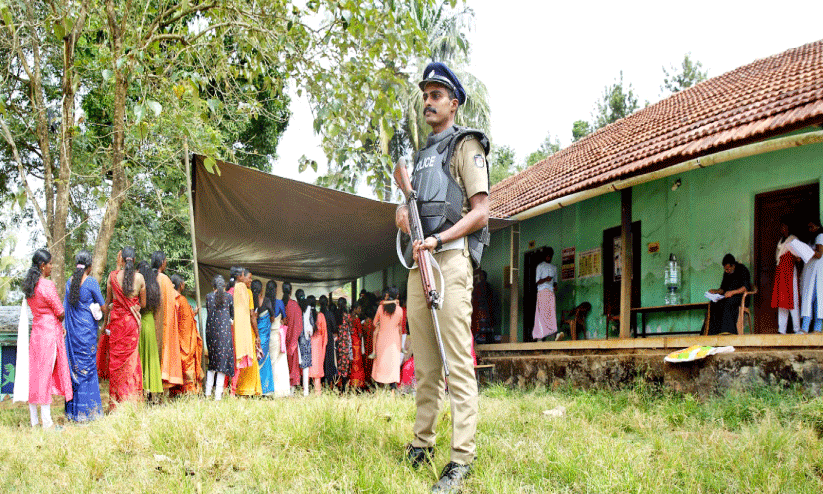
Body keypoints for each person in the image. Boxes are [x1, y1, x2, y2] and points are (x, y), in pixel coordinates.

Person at [395, 62, 491, 492]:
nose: (429, 101)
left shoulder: (465, 145)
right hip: (420, 263)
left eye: (437, 95)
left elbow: (481, 211)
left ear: (453, 103)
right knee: (426, 363)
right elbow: (409, 210)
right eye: (426, 95)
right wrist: (403, 219)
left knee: (457, 361)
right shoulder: (420, 157)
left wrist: (438, 240)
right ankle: (422, 443)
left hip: (449, 260)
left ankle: (461, 457)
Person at [24, 249, 73, 428]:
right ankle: (47, 423)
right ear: (42, 265)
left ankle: (34, 420)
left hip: (36, 333)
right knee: (44, 377)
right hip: (49, 334)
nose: (52, 267)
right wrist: (60, 322)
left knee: (35, 376)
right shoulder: (46, 285)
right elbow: (60, 311)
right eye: (50, 263)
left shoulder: (30, 286)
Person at [101, 246, 146, 409]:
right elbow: (144, 303)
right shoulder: (140, 278)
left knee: (116, 361)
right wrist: (134, 307)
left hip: (117, 324)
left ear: (121, 259)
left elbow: (107, 302)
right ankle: (132, 400)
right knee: (132, 361)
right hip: (131, 324)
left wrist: (105, 322)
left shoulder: (112, 277)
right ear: (134, 260)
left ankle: (116, 401)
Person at [63, 250, 104, 422]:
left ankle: (73, 412)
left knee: (75, 370)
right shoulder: (91, 282)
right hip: (86, 333)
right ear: (89, 266)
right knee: (88, 370)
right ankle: (89, 412)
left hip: (72, 334)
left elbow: (66, 307)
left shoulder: (69, 282)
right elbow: (103, 306)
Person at [153, 250, 182, 390]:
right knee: (163, 353)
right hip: (163, 322)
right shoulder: (165, 279)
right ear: (162, 262)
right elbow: (174, 304)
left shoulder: (149, 277)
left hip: (151, 321)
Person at [171, 274, 202, 395]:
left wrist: (192, 313)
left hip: (175, 338)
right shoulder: (182, 300)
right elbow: (186, 322)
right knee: (187, 364)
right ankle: (189, 390)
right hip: (184, 339)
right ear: (180, 285)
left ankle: (176, 390)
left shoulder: (171, 298)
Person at [706, 254, 752, 335]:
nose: (726, 271)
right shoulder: (726, 273)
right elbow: (723, 289)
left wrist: (732, 292)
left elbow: (745, 287)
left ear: (733, 265)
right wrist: (715, 291)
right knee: (714, 304)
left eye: (728, 269)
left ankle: (728, 333)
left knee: (728, 303)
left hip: (740, 297)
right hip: (728, 297)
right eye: (725, 269)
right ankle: (712, 333)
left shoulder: (742, 269)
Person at [205, 275, 234, 400]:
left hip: (211, 331)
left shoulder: (208, 297)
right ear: (224, 286)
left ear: (213, 286)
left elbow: (209, 311)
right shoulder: (229, 297)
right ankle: (218, 396)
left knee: (212, 363)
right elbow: (232, 315)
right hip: (224, 333)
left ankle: (207, 393)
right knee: (222, 364)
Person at [136, 261, 163, 398]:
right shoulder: (154, 286)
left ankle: (140, 389)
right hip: (150, 322)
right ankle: (153, 393)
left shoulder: (139, 284)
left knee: (140, 357)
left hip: (139, 322)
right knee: (152, 358)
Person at [234, 269, 261, 396]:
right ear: (242, 276)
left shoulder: (233, 290)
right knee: (250, 359)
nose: (250, 280)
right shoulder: (248, 292)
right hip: (248, 332)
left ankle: (238, 388)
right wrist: (257, 335)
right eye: (249, 278)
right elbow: (252, 316)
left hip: (237, 330)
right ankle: (249, 388)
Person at [772, 217, 801, 334]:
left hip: (789, 271)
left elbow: (799, 258)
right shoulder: (781, 241)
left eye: (784, 226)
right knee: (782, 301)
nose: (782, 229)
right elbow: (777, 258)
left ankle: (796, 329)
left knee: (792, 299)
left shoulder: (793, 239)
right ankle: (781, 330)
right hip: (781, 271)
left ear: (789, 227)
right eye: (781, 226)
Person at [372, 287, 403, 392]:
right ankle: (392, 393)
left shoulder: (381, 308)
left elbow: (374, 323)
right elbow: (400, 327)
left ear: (387, 295)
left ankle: (379, 391)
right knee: (392, 365)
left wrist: (380, 324)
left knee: (381, 365)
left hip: (381, 340)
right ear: (397, 296)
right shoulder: (399, 310)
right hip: (394, 341)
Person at [266, 280, 290, 396]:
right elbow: (285, 320)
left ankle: (269, 387)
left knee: (269, 361)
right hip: (278, 335)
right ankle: (280, 389)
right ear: (276, 290)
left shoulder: (264, 302)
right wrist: (280, 320)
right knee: (279, 361)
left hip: (267, 335)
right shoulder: (280, 303)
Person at [252, 279, 275, 395]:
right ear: (262, 289)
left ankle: (256, 387)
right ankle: (265, 389)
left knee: (256, 359)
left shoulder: (251, 302)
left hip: (254, 335)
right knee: (265, 359)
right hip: (264, 336)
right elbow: (272, 317)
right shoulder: (266, 301)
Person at [800, 218, 823, 333]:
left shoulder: (820, 236)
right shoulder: (812, 239)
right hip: (810, 272)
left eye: (811, 227)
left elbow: (819, 254)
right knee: (809, 299)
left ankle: (815, 329)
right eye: (808, 227)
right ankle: (806, 328)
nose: (810, 230)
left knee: (818, 301)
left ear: (817, 226)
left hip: (818, 273)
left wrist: (807, 250)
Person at [532, 247, 560, 341]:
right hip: (542, 292)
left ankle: (553, 335)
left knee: (551, 313)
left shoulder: (554, 268)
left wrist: (555, 286)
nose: (549, 258)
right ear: (545, 256)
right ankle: (541, 336)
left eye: (550, 256)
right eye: (547, 256)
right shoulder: (540, 266)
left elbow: (555, 282)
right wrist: (545, 279)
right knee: (543, 314)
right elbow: (537, 281)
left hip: (551, 292)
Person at [282, 282, 303, 393]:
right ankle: (292, 388)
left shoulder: (281, 304)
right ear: (290, 291)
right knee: (293, 364)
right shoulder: (295, 306)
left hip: (281, 339)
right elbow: (299, 325)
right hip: (292, 340)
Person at [308, 295, 327, 395]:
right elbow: (325, 334)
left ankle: (305, 392)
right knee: (317, 371)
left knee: (307, 370)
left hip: (308, 344)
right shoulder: (320, 316)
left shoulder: (305, 315)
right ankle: (317, 392)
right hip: (318, 345)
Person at [334, 298, 353, 392]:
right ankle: (343, 389)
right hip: (345, 343)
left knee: (338, 363)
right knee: (345, 365)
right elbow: (352, 330)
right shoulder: (347, 316)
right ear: (345, 305)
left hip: (337, 343)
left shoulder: (335, 315)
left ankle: (336, 385)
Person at [297, 290, 313, 396]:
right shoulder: (308, 308)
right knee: (306, 366)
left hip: (297, 338)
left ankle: (294, 388)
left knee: (296, 363)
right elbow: (311, 323)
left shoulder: (296, 306)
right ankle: (306, 391)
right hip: (306, 339)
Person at [319, 295, 338, 388]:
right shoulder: (330, 314)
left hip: (320, 340)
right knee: (330, 361)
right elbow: (334, 328)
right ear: (327, 303)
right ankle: (330, 384)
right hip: (329, 340)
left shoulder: (318, 314)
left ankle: (322, 383)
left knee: (321, 361)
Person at [348, 303, 366, 390]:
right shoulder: (357, 319)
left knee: (351, 363)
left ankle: (351, 381)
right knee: (357, 363)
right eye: (359, 308)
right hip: (356, 343)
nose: (360, 310)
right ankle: (357, 382)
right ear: (355, 309)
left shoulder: (348, 317)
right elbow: (360, 333)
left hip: (350, 342)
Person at [471, 270, 494, 340]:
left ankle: (482, 338)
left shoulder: (482, 286)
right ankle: (483, 338)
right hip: (484, 309)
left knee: (482, 324)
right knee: (482, 324)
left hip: (482, 309)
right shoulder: (486, 286)